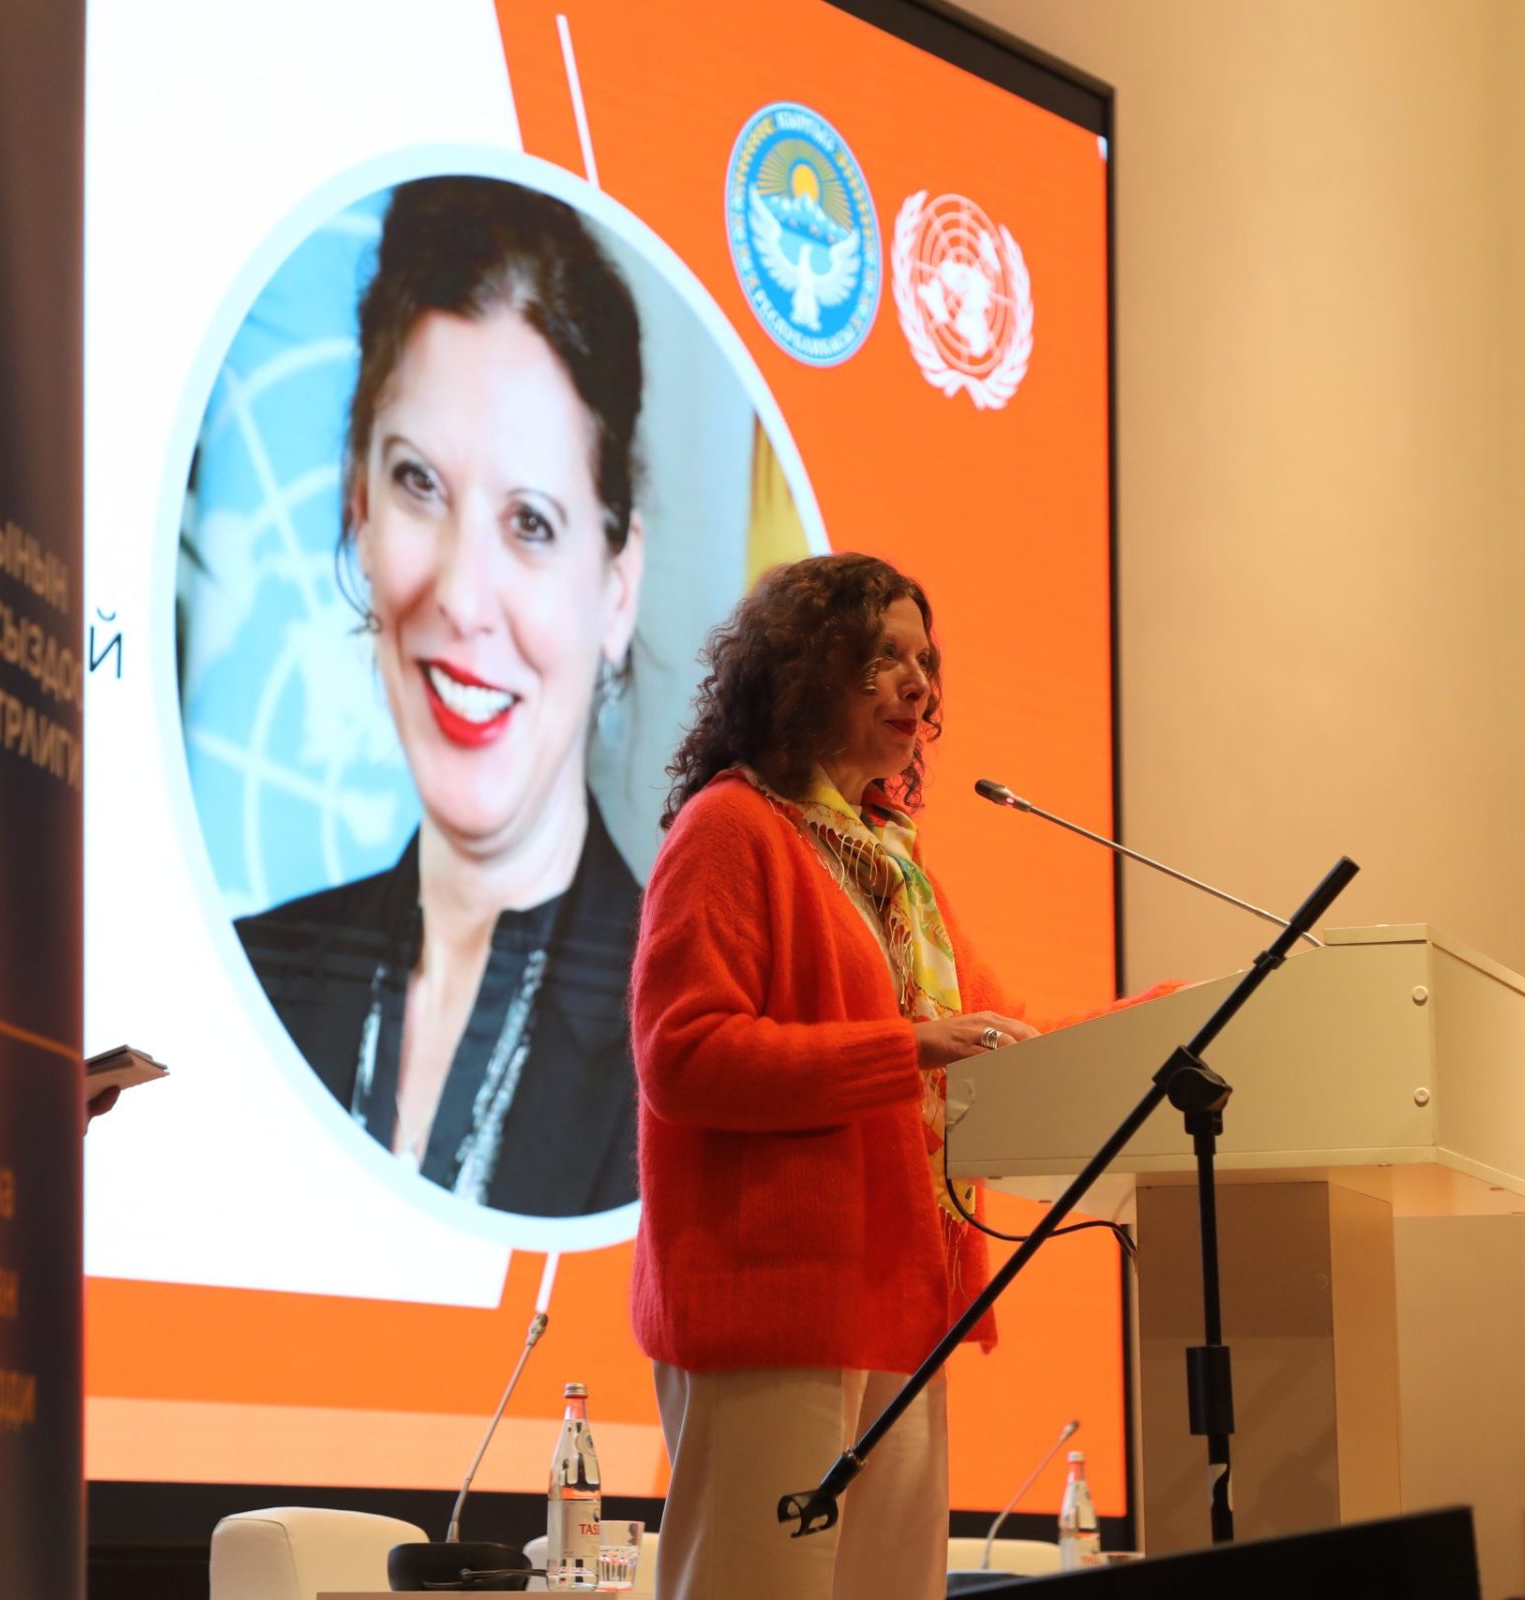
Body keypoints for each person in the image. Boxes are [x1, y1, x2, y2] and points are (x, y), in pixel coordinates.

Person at [629, 552, 1042, 1600]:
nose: (918, 684)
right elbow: (686, 1056)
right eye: (883, 658)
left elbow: (1014, 1040)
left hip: (900, 1304)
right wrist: (909, 1049)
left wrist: (1182, 1015)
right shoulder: (732, 828)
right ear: (806, 671)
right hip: (774, 1306)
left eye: (925, 660)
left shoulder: (895, 867)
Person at [237, 177, 648, 1219]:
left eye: (532, 522)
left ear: (618, 586)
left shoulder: (698, 1049)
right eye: (419, 483)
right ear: (359, 504)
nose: (461, 596)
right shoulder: (253, 979)